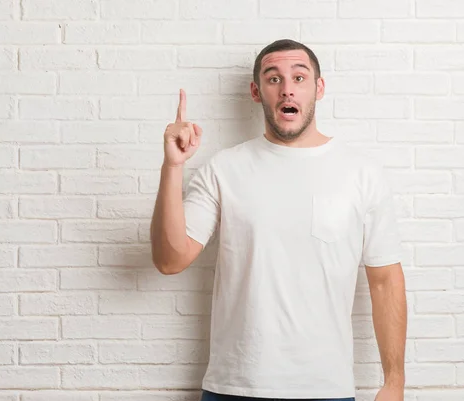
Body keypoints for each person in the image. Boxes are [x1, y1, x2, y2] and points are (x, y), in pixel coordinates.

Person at [150, 39, 407, 401]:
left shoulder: (361, 173)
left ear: (319, 87)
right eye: (273, 79)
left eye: (299, 77)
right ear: (256, 92)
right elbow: (169, 259)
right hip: (234, 387)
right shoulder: (224, 169)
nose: (287, 88)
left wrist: (394, 382)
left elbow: (385, 281)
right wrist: (173, 167)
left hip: (325, 389)